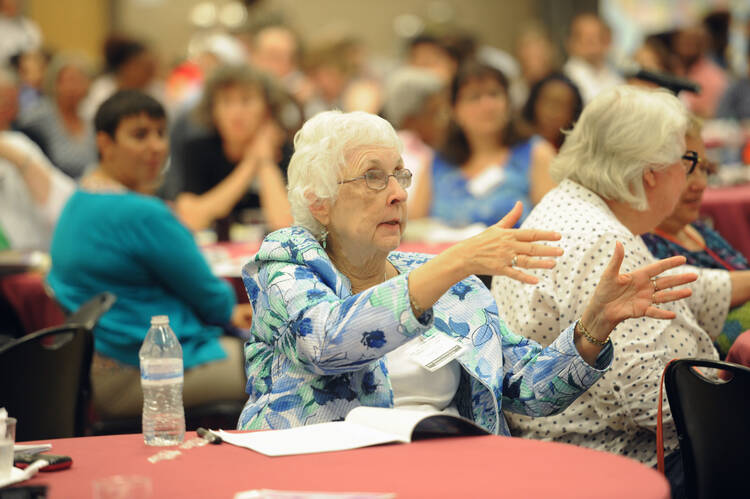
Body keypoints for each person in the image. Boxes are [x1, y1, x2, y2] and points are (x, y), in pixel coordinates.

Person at [237, 109, 696, 432]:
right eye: (374, 177)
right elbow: (327, 342)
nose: (397, 193)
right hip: (326, 477)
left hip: (453, 472)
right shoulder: (287, 264)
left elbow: (527, 391)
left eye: (401, 174)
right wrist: (456, 260)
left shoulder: (450, 286)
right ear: (319, 201)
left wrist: (592, 327)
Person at [490, 85, 750, 497]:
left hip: (565, 449)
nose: (690, 176)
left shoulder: (574, 206)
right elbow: (650, 397)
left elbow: (663, 289)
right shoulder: (603, 242)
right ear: (651, 171)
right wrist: (726, 379)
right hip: (617, 463)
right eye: (687, 161)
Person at [46, 90, 251, 419]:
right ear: (105, 143)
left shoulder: (79, 198)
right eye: (140, 135)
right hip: (147, 372)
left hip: (94, 374)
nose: (156, 146)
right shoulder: (140, 212)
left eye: (160, 133)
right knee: (289, 370)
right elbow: (213, 300)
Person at [641, 119, 750, 359]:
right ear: (648, 172)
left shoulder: (695, 228)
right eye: (686, 169)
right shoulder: (645, 245)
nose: (701, 184)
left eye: (704, 168)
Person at [409, 61, 556, 226]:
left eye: (494, 94)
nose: (487, 106)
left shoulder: (537, 153)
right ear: (454, 110)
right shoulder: (436, 161)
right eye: (474, 97)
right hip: (446, 250)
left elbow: (552, 225)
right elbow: (414, 226)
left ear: (508, 102)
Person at [174, 64, 292, 237]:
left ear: (268, 109)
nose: (236, 112)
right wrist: (250, 163)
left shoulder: (287, 151)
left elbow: (285, 223)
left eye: (246, 100)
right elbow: (191, 219)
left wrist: (265, 162)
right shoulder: (197, 150)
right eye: (226, 102)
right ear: (212, 109)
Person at [0, 67, 74, 251]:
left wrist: (15, 156)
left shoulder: (19, 144)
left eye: (12, 102)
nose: (10, 110)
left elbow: (64, 200)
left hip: (29, 253)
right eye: (4, 101)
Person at [18, 54, 97, 178]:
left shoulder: (90, 121)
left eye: (80, 81)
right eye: (69, 81)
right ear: (54, 83)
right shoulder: (37, 116)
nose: (74, 88)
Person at [381, 66, 450, 199]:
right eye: (435, 114)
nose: (444, 122)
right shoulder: (405, 158)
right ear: (410, 120)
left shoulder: (442, 151)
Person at [563, 13, 624, 104]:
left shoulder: (610, 70)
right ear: (571, 42)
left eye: (599, 37)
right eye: (588, 39)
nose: (595, 43)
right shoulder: (568, 77)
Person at [520, 72, 583, 151]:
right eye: (547, 103)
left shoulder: (577, 152)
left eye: (561, 105)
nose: (552, 113)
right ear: (533, 103)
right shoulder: (514, 145)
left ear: (573, 114)